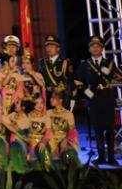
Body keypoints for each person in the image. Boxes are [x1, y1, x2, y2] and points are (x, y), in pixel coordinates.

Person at [78, 34, 122, 165]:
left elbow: (120, 76)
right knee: (97, 129)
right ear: (89, 49)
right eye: (93, 46)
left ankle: (111, 158)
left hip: (107, 97)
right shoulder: (85, 64)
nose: (95, 48)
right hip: (94, 98)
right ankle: (101, 156)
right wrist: (87, 92)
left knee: (109, 128)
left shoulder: (109, 63)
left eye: (98, 46)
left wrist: (110, 73)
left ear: (102, 48)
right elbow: (76, 81)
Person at [39, 35, 73, 108]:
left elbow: (70, 81)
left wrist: (71, 97)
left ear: (58, 48)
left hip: (61, 97)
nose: (49, 49)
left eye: (52, 47)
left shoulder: (65, 62)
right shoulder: (42, 62)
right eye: (47, 47)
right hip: (47, 97)